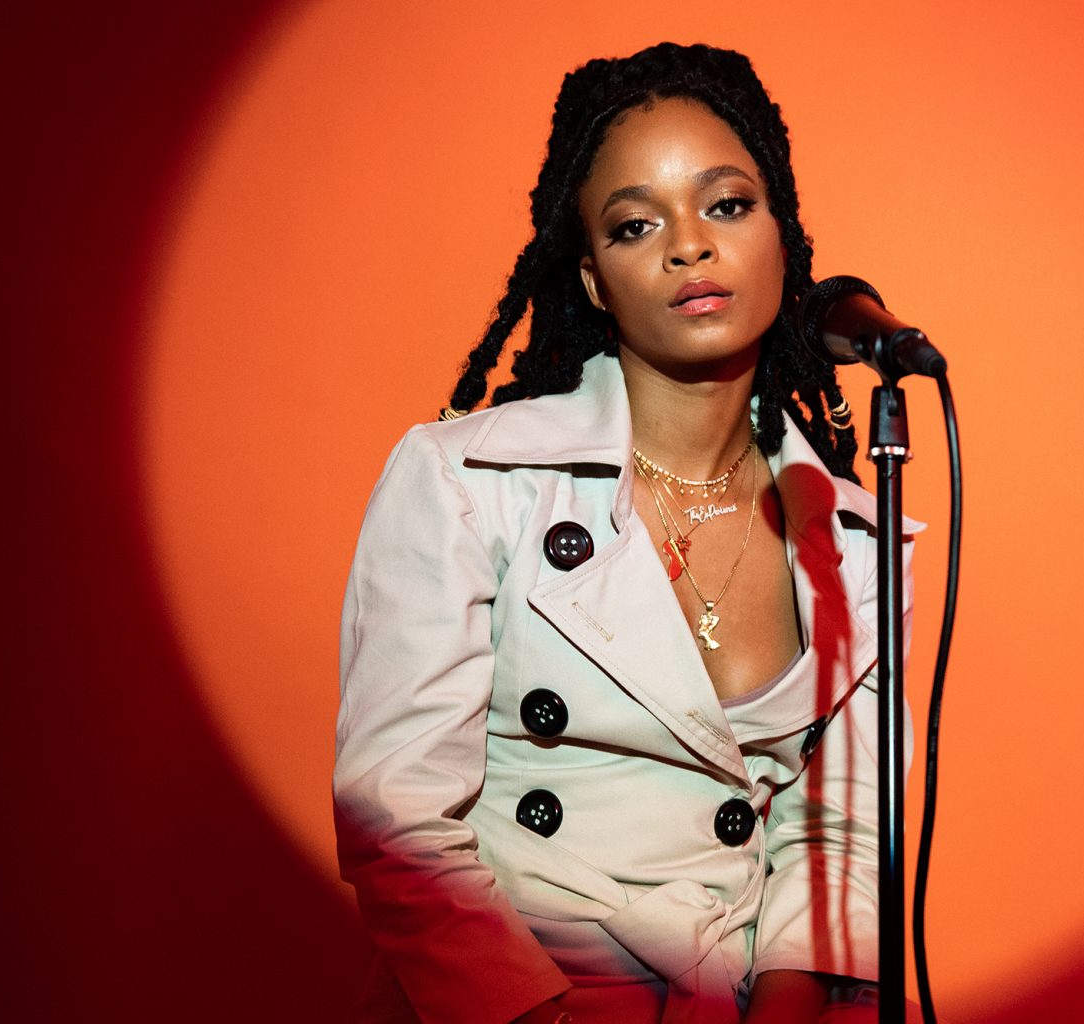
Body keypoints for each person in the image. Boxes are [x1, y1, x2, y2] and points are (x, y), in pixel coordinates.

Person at [333, 42, 915, 1024]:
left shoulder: (855, 541)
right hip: (521, 999)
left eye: (727, 204)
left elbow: (839, 839)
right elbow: (399, 823)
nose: (689, 246)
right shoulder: (468, 482)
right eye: (636, 224)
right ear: (596, 279)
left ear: (782, 235)